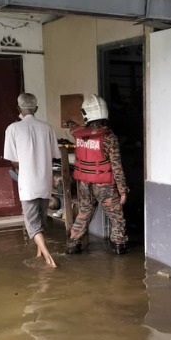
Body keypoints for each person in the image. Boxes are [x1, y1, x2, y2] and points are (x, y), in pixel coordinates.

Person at [67, 95, 129, 255]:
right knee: (116, 216)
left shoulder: (80, 135)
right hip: (104, 185)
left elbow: (74, 127)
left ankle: (73, 243)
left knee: (85, 211)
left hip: (84, 183)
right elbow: (116, 166)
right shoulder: (109, 138)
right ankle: (119, 245)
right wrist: (122, 189)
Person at [3, 93, 60, 268]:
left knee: (33, 224)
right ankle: (39, 255)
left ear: (19, 109)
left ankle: (48, 257)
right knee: (42, 221)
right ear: (36, 108)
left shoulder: (13, 128)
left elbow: (13, 160)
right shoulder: (47, 128)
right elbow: (55, 155)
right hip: (44, 181)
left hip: (27, 183)